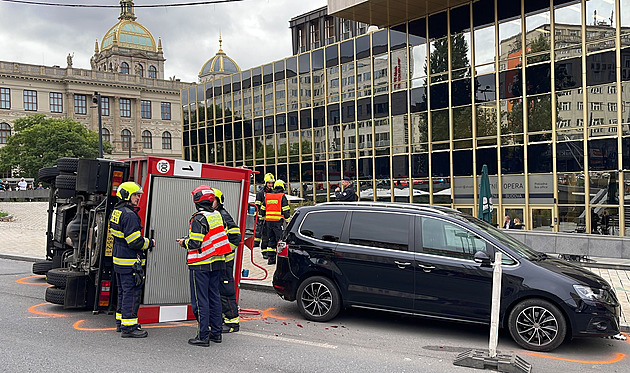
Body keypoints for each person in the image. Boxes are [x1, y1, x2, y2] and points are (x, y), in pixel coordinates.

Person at [177, 186, 231, 347]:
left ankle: (203, 336)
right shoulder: (217, 216)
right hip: (217, 263)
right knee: (214, 298)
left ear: (197, 200)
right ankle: (216, 333)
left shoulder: (199, 218)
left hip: (200, 264)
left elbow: (194, 242)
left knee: (201, 301)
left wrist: (182, 242)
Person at [109, 181, 155, 338]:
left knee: (122, 292)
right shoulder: (130, 216)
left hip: (119, 260)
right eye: (136, 195)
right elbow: (135, 242)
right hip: (129, 262)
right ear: (127, 195)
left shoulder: (116, 212)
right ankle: (129, 327)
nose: (138, 198)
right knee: (132, 294)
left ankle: (121, 323)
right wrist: (150, 242)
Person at [211, 188, 241, 333]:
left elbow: (236, 237)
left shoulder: (223, 216)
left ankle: (232, 323)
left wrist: (224, 251)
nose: (211, 202)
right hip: (219, 261)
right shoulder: (215, 215)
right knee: (219, 290)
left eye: (213, 199)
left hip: (225, 261)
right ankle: (224, 318)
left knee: (226, 290)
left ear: (219, 201)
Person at [260, 179, 290, 265]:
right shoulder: (282, 196)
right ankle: (281, 260)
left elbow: (262, 209)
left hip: (268, 222)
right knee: (279, 240)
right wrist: (288, 222)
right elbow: (286, 210)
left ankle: (271, 259)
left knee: (271, 239)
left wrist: (263, 217)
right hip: (277, 222)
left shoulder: (268, 195)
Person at [255, 173, 275, 259]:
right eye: (269, 183)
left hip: (272, 217)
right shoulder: (260, 193)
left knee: (271, 235)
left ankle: (270, 251)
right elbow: (257, 206)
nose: (270, 185)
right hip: (263, 218)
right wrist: (260, 216)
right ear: (266, 183)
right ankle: (264, 251)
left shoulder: (274, 192)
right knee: (265, 235)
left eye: (272, 183)